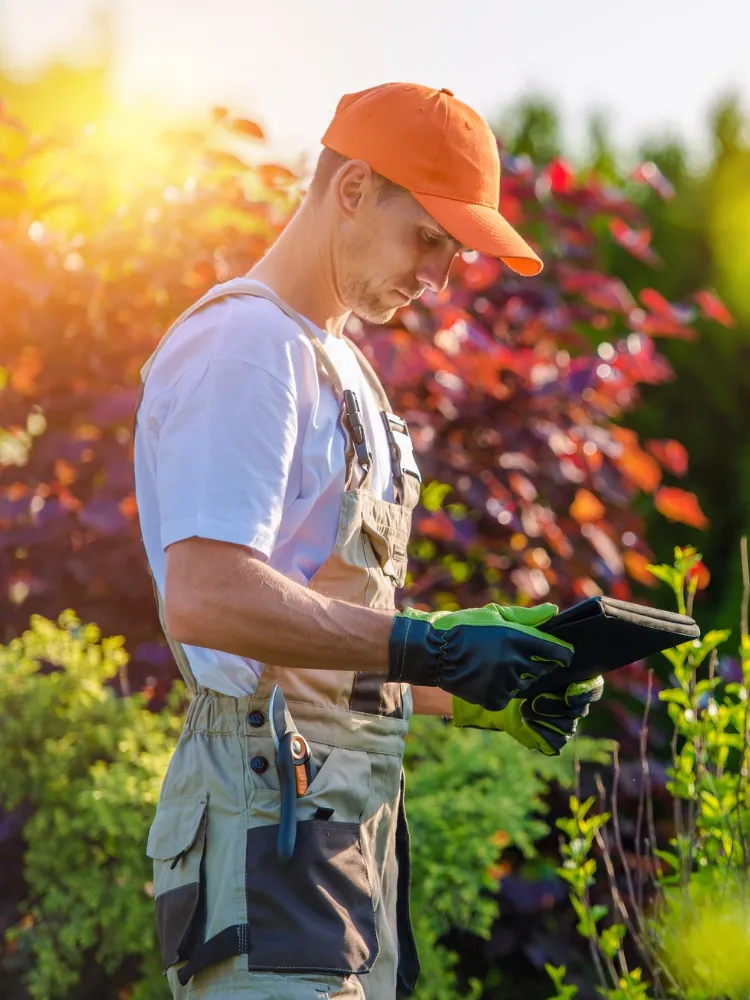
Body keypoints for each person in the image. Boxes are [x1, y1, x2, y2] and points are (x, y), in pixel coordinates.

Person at [133, 82, 604, 1000]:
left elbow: (320, 642)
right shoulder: (246, 347)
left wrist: (470, 682)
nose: (438, 275)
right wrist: (423, 646)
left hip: (343, 830)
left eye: (454, 251)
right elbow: (206, 595)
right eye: (428, 236)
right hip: (264, 822)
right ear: (351, 189)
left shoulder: (340, 363)